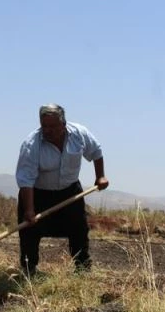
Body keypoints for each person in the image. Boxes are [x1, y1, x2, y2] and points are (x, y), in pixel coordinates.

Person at [15, 104, 109, 276]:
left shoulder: (79, 134)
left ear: (63, 125)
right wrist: (29, 210)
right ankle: (29, 271)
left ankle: (82, 269)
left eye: (52, 126)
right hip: (37, 194)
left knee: (79, 229)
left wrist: (100, 176)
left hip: (70, 191)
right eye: (44, 126)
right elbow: (25, 180)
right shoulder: (31, 145)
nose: (48, 130)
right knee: (29, 231)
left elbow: (96, 151)